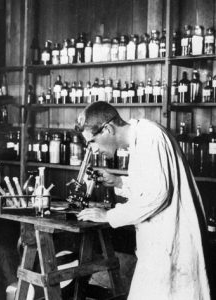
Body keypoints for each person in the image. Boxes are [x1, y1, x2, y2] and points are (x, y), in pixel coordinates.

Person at [76, 101, 211, 300]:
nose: (94, 150)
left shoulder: (150, 137)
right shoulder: (141, 139)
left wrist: (108, 215)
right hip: (159, 246)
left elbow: (157, 196)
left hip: (172, 245)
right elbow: (150, 185)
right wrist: (119, 182)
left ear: (108, 129)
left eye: (92, 142)